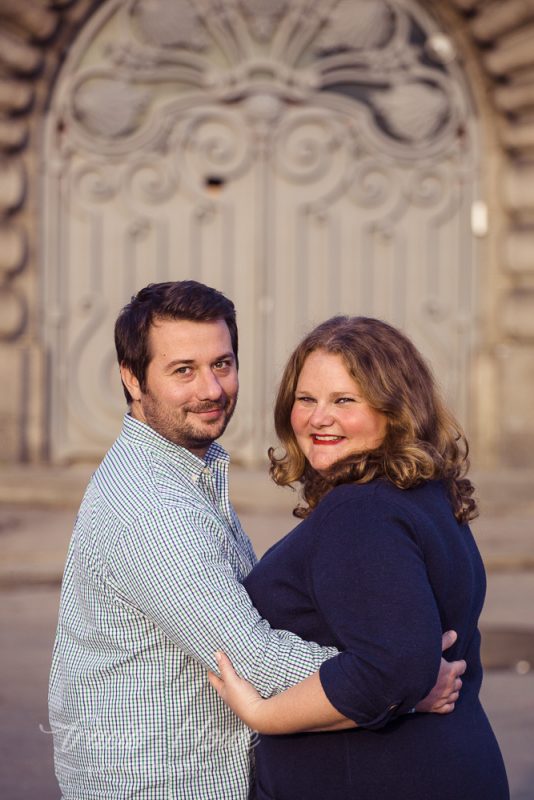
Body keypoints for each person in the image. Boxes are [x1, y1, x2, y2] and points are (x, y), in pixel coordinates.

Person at [48, 284, 464, 800]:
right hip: (162, 780)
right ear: (132, 378)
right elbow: (251, 658)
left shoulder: (189, 476)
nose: (211, 389)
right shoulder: (150, 508)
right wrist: (401, 679)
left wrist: (394, 667)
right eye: (183, 370)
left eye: (222, 364)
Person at [209, 315, 510, 800]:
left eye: (345, 400)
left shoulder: (361, 511)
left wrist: (264, 715)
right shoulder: (422, 493)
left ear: (395, 410)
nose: (318, 417)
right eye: (306, 400)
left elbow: (392, 668)